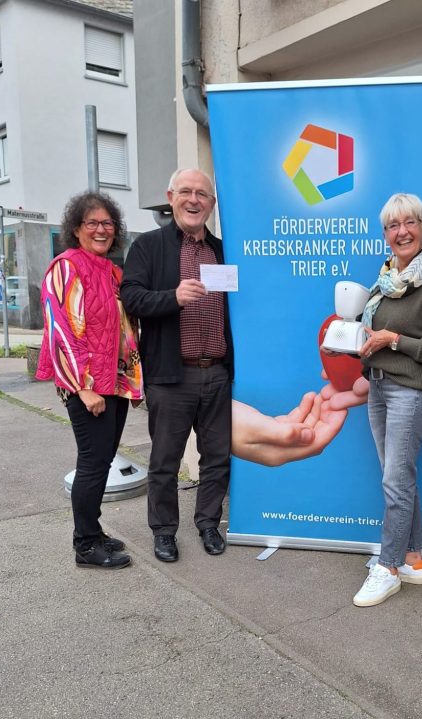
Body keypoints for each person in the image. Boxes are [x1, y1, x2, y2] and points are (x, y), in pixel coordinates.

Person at [120, 168, 233, 563]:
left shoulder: (223, 249)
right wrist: (173, 297)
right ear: (171, 197)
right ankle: (164, 532)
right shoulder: (149, 247)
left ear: (211, 204)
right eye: (186, 192)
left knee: (217, 456)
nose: (194, 200)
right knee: (165, 461)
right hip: (171, 375)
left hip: (217, 371)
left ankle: (207, 523)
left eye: (202, 194)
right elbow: (131, 297)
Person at [350, 193, 422, 607]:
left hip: (411, 391)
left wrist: (393, 340)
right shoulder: (385, 279)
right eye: (393, 226)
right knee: (397, 477)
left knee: (395, 480)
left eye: (410, 223)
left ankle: (388, 566)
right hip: (378, 386)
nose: (402, 232)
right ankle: (412, 559)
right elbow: (374, 331)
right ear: (385, 235)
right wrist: (353, 341)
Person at [36, 191, 142, 570]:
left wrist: (131, 382)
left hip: (113, 383)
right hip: (87, 387)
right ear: (76, 229)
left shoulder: (112, 272)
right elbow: (60, 331)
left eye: (107, 223)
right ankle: (84, 545)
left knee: (103, 459)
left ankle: (94, 532)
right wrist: (82, 387)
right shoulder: (66, 267)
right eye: (92, 223)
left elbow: (126, 330)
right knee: (93, 463)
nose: (101, 230)